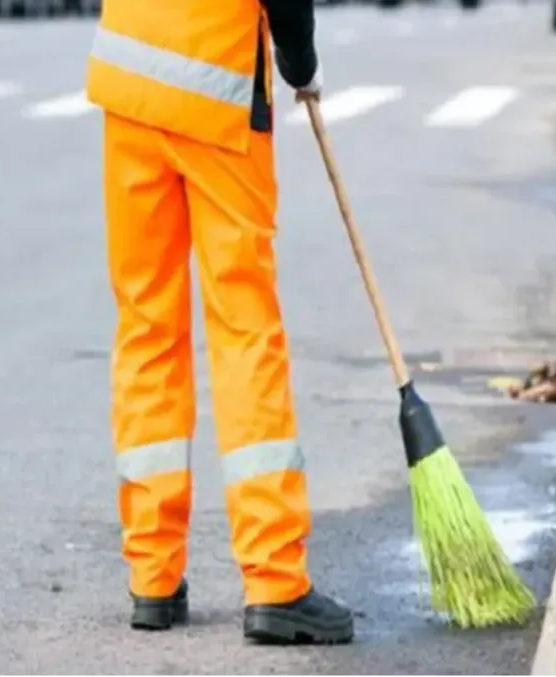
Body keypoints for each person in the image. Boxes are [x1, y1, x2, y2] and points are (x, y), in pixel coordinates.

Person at [84, 0, 355, 646]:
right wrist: (300, 60)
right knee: (244, 328)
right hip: (218, 92)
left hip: (130, 80)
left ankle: (153, 575)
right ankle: (275, 581)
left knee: (147, 324)